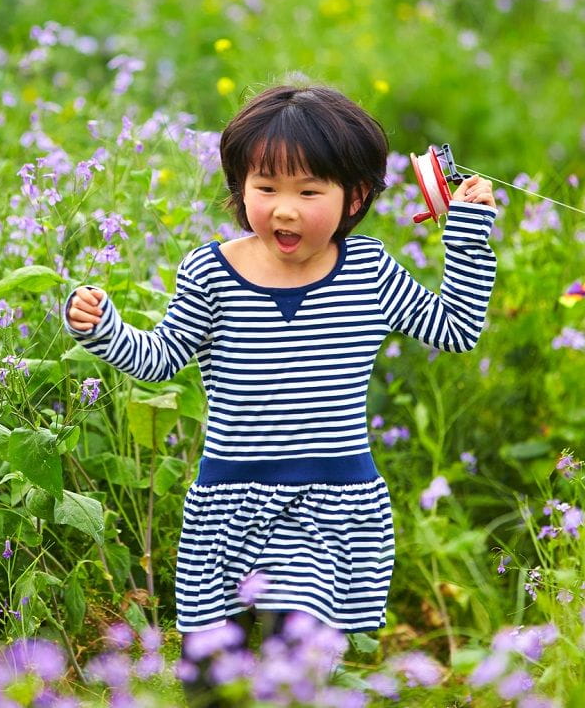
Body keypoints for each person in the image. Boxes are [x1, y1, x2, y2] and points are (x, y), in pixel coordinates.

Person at [61, 83, 497, 705]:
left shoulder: (368, 271)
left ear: (357, 197)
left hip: (330, 507)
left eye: (309, 192)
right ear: (240, 187)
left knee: (298, 649)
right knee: (213, 671)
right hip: (229, 506)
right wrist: (101, 328)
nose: (284, 210)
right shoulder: (210, 272)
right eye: (266, 188)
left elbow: (454, 327)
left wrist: (468, 229)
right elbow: (158, 358)